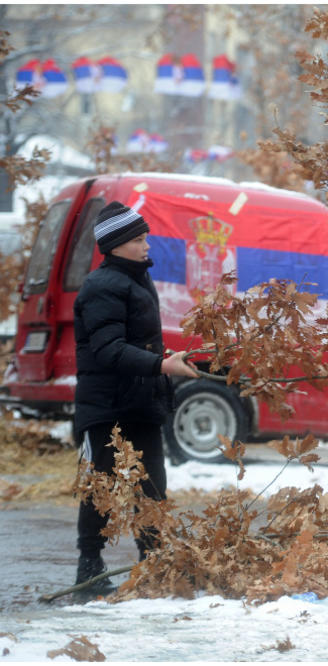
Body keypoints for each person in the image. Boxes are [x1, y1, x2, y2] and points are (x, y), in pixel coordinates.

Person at [73, 201, 197, 596]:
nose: (148, 245)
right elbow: (109, 350)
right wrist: (162, 367)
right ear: (116, 244)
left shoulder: (136, 280)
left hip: (141, 405)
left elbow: (137, 344)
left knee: (152, 488)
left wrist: (167, 360)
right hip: (105, 407)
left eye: (146, 237)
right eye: (140, 239)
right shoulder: (101, 286)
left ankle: (154, 563)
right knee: (101, 489)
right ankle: (88, 566)